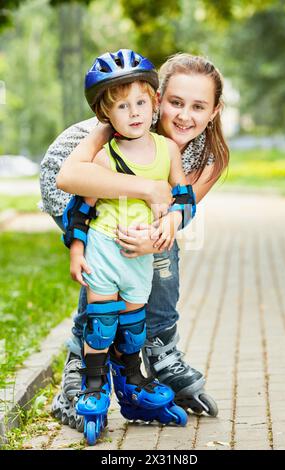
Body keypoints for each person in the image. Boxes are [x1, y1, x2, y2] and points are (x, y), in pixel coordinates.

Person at [40, 52, 229, 431]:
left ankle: (157, 349)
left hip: (132, 210)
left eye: (198, 106)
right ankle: (81, 365)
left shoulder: (209, 156)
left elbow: (179, 210)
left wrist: (161, 230)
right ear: (158, 99)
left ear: (214, 110)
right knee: (105, 253)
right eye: (175, 102)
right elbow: (70, 177)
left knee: (158, 250)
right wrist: (147, 187)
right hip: (78, 190)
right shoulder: (122, 123)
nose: (184, 115)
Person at [59, 49, 193, 444]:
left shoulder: (167, 150)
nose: (133, 112)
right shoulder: (102, 155)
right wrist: (76, 249)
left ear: (154, 102)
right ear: (105, 114)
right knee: (101, 322)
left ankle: (133, 383)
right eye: (121, 106)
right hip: (103, 246)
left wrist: (171, 220)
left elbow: (184, 198)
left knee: (133, 326)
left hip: (141, 254)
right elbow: (80, 208)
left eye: (140, 102)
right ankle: (94, 386)